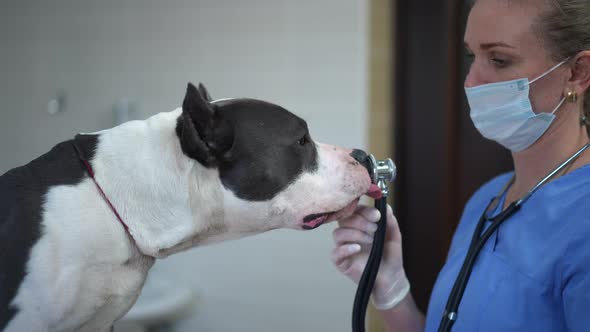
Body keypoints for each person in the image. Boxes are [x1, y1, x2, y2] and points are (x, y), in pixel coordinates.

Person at [331, 0, 590, 331]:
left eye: (499, 59)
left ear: (577, 73)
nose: (471, 81)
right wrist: (391, 289)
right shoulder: (488, 199)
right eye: (472, 56)